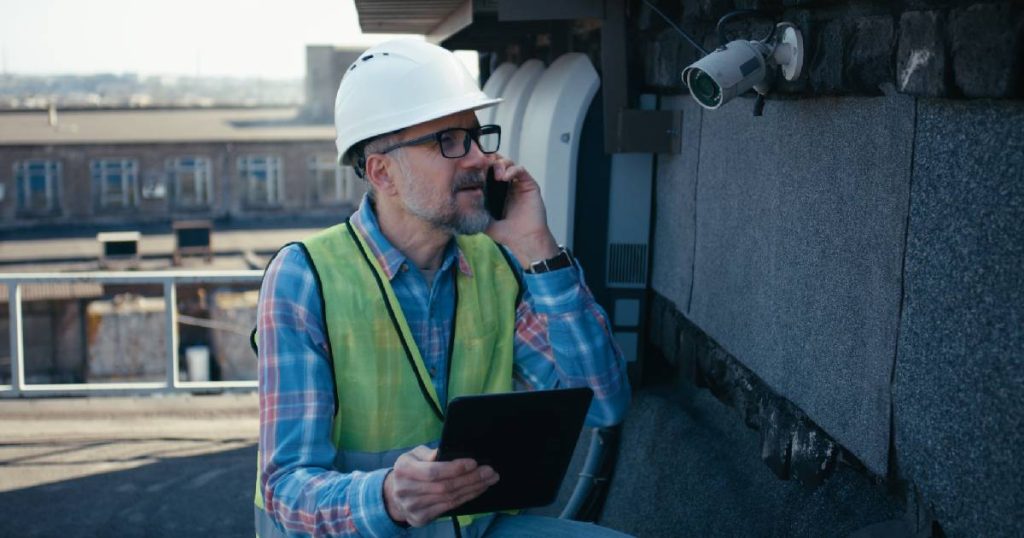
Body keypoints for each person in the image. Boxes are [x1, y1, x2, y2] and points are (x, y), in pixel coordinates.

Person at [254, 39, 631, 537]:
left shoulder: (501, 263)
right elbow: (286, 488)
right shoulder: (306, 277)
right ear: (382, 172)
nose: (478, 158)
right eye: (449, 140)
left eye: (478, 137)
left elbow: (604, 403)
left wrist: (539, 249)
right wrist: (386, 496)